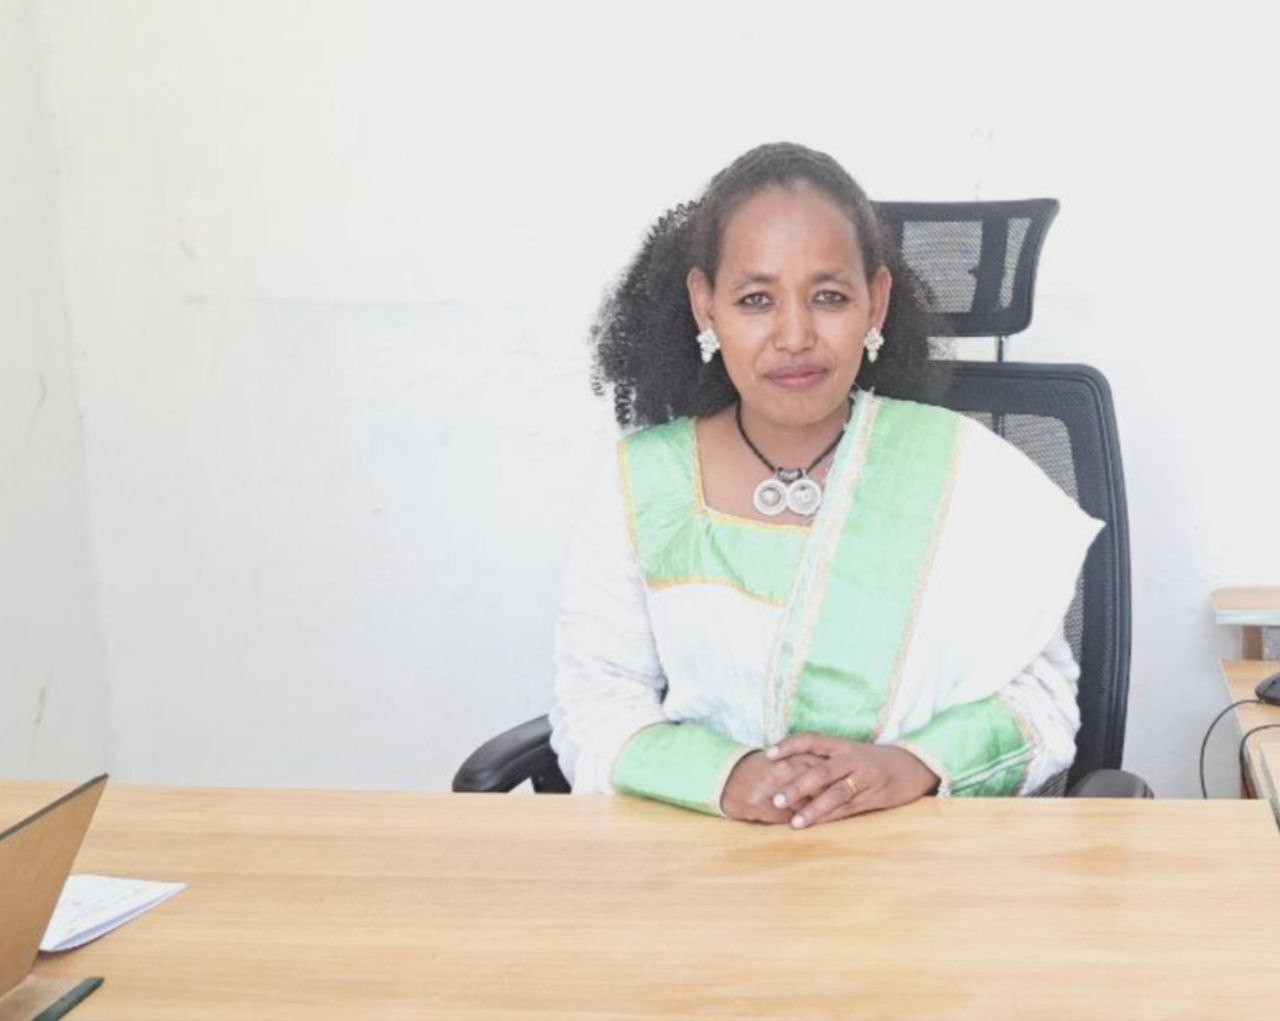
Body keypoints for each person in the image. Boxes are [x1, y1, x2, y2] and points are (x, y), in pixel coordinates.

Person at [549, 142, 1102, 829]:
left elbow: (1042, 701)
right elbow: (593, 704)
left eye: (830, 297)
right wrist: (725, 778)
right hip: (702, 859)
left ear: (876, 303)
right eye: (756, 299)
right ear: (705, 306)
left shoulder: (964, 469)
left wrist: (911, 765)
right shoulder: (642, 483)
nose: (794, 335)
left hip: (915, 860)